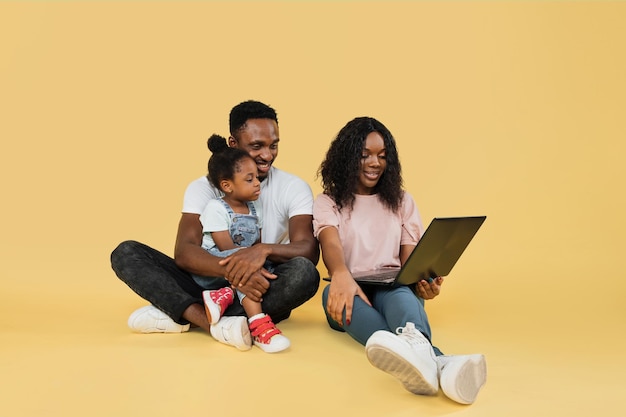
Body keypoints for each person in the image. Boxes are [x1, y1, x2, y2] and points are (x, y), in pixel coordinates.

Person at [111, 100, 320, 351]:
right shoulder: (202, 188)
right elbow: (185, 253)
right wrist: (237, 272)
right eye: (256, 146)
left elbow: (307, 248)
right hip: (206, 282)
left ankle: (181, 313)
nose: (267, 155)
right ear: (233, 144)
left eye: (273, 145)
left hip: (260, 287)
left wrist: (261, 251)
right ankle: (216, 324)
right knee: (127, 253)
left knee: (305, 273)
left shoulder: (293, 187)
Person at [313, 117, 486, 404]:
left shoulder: (402, 201)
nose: (374, 163)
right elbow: (329, 240)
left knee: (400, 291)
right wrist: (341, 273)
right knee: (333, 291)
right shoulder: (328, 201)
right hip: (348, 288)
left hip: (391, 287)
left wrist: (423, 282)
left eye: (382, 156)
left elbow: (410, 260)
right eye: (365, 154)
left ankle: (424, 363)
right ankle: (441, 362)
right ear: (347, 157)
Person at [200, 133, 290, 353]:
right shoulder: (216, 208)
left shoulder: (253, 208)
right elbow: (227, 250)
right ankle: (259, 325)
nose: (257, 184)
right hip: (216, 267)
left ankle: (225, 296)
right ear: (227, 186)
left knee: (270, 268)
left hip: (241, 265)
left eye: (257, 178)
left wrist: (259, 260)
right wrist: (252, 263)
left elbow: (256, 245)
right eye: (249, 180)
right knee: (245, 269)